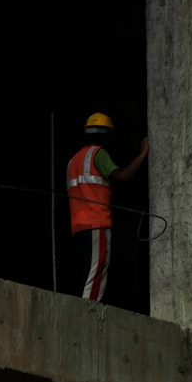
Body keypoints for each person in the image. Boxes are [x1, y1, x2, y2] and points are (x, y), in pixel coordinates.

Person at [66, 112, 149, 302]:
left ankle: (83, 306)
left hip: (78, 225)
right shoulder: (98, 154)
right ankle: (88, 312)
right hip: (96, 222)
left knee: (87, 270)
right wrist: (143, 153)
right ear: (108, 135)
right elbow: (121, 177)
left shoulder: (73, 161)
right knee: (96, 269)